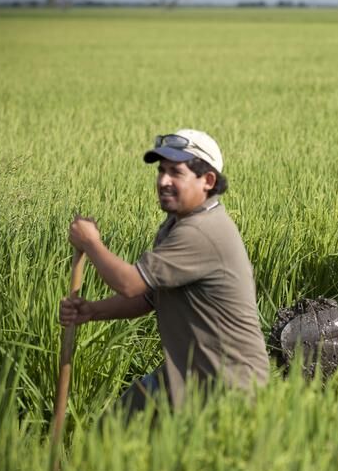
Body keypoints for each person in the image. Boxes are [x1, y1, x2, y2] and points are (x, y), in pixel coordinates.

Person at [59, 129, 269, 414]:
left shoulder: (202, 232)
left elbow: (130, 283)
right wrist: (92, 311)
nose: (163, 181)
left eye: (176, 173)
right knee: (116, 428)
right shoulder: (177, 225)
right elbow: (150, 297)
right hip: (185, 376)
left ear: (207, 181)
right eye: (161, 171)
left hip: (226, 387)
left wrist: (91, 243)